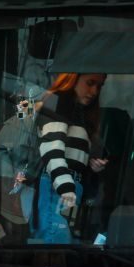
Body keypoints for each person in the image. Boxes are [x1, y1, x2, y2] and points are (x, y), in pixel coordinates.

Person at [30, 73, 108, 244]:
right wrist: (65, 187)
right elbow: (52, 147)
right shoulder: (60, 100)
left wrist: (91, 163)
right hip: (59, 186)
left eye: (99, 86)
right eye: (90, 83)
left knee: (60, 242)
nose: (94, 91)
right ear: (74, 78)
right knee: (55, 242)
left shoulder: (79, 110)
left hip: (66, 186)